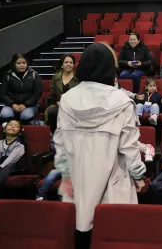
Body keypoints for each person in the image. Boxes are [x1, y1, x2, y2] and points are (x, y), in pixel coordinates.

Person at [54, 43, 147, 248]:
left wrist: (65, 176)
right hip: (111, 178)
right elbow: (130, 149)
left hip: (76, 179)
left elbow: (60, 146)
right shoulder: (121, 100)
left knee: (79, 234)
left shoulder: (67, 99)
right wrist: (139, 177)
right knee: (111, 235)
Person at [0, 53, 42, 125]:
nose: (22, 65)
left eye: (24, 63)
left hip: (30, 105)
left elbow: (38, 93)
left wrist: (25, 104)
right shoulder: (8, 76)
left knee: (26, 116)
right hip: (12, 104)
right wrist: (12, 104)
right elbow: (3, 93)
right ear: (14, 64)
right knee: (5, 114)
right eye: (19, 63)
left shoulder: (34, 74)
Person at [0, 120, 27, 202]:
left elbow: (11, 159)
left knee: (10, 165)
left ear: (19, 133)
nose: (13, 126)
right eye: (10, 125)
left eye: (16, 126)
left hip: (16, 167)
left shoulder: (20, 145)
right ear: (4, 130)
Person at [45, 54, 80, 133]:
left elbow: (80, 94)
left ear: (74, 65)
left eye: (71, 63)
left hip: (74, 105)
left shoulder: (78, 78)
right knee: (52, 112)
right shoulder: (56, 77)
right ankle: (54, 134)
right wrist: (58, 102)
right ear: (62, 65)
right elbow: (52, 94)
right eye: (66, 62)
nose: (69, 64)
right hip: (58, 104)